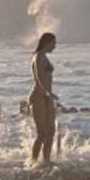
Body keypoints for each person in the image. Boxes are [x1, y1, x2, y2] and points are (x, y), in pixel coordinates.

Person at [28, 33, 58, 166]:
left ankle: (46, 160)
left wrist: (50, 94)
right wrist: (46, 93)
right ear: (47, 42)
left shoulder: (44, 57)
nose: (55, 47)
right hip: (39, 96)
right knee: (42, 133)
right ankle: (33, 160)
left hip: (48, 96)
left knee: (51, 131)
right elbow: (38, 78)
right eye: (53, 43)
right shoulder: (38, 57)